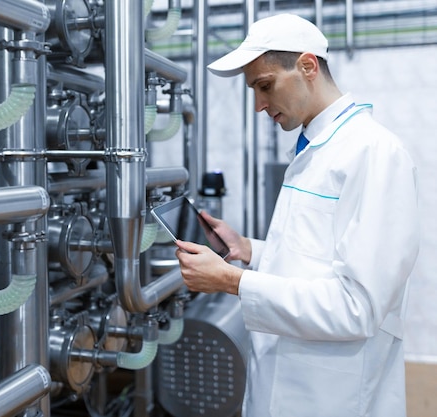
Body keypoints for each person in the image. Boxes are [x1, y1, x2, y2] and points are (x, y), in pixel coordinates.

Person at [175, 13, 420, 417]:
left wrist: (234, 282)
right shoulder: (317, 147)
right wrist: (248, 249)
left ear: (307, 66)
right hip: (289, 385)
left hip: (331, 396)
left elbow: (356, 306)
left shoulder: (373, 154)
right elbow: (321, 256)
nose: (258, 105)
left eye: (265, 86)